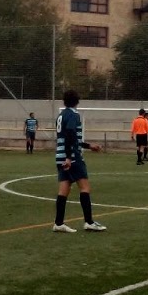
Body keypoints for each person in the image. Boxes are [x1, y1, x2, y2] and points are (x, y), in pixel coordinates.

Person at [53, 90, 106, 233]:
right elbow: (70, 135)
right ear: (77, 101)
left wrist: (88, 146)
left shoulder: (61, 115)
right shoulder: (74, 115)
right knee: (85, 187)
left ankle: (58, 223)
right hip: (72, 157)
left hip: (60, 156)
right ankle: (89, 222)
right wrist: (69, 157)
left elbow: (71, 137)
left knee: (63, 190)